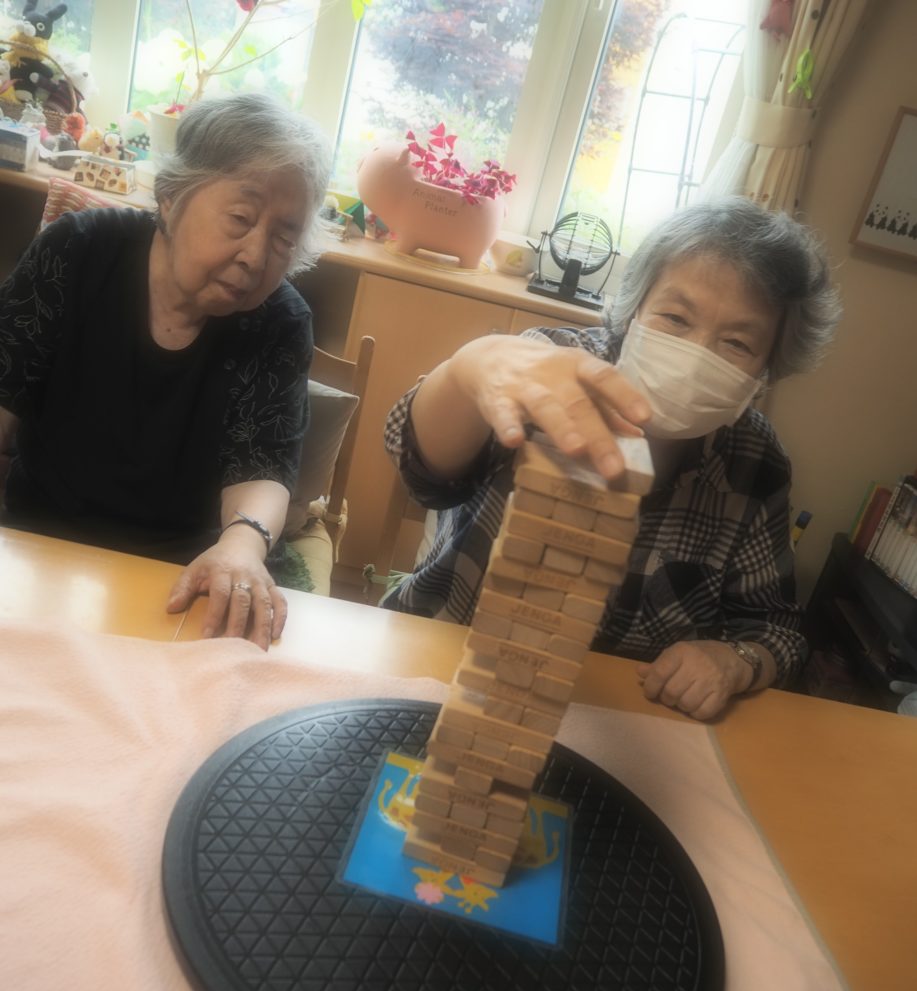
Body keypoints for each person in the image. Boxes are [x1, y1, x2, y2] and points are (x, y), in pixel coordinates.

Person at [381, 197, 842, 720]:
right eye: (675, 317)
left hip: (617, 717)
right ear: (635, 309)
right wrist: (467, 369)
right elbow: (424, 475)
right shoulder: (547, 370)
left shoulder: (756, 461)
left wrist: (735, 660)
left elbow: (776, 627)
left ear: (765, 372)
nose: (695, 356)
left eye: (736, 343)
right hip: (444, 666)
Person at [0, 93, 331, 650]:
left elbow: (264, 465)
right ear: (172, 196)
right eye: (241, 219)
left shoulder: (279, 321)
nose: (255, 256)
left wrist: (241, 546)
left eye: (283, 238)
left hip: (183, 573)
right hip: (38, 547)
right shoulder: (78, 251)